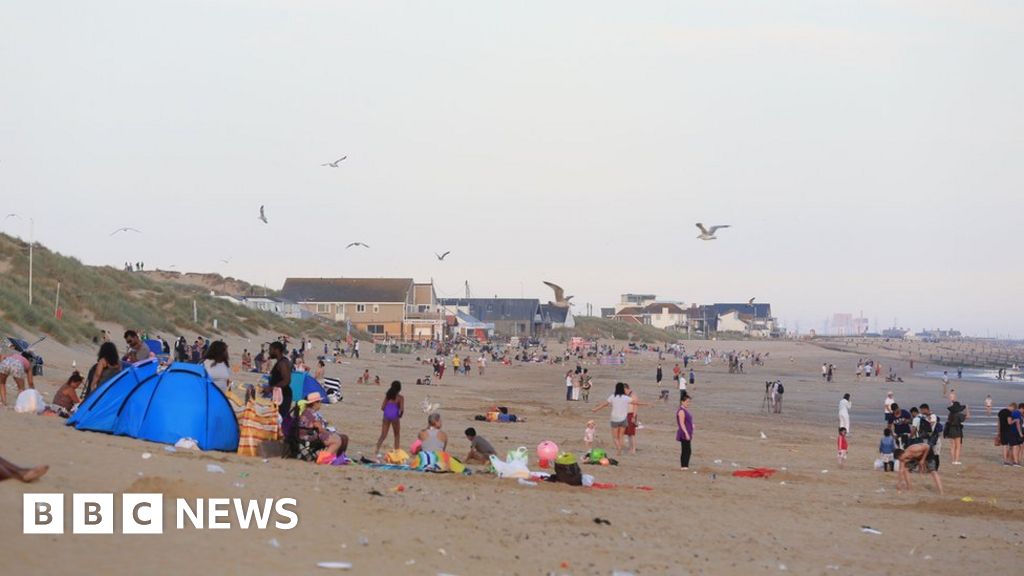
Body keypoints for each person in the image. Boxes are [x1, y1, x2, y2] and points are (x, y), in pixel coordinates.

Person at [591, 382, 639, 456]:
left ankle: (633, 449)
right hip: (624, 416)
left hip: (630, 415)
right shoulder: (623, 396)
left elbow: (636, 406)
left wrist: (634, 417)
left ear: (626, 389)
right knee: (623, 434)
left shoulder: (632, 396)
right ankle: (626, 448)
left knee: (631, 434)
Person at [299, 392, 348, 459]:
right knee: (337, 440)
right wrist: (330, 432)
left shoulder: (307, 411)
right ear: (314, 403)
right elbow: (320, 429)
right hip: (310, 436)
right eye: (319, 402)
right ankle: (324, 458)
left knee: (343, 437)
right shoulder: (311, 413)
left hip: (307, 434)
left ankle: (336, 457)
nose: (320, 404)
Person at [374, 381, 405, 456]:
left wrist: (388, 411)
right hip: (395, 415)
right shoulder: (400, 397)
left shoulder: (388, 396)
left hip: (386, 415)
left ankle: (377, 449)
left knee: (383, 434)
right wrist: (399, 415)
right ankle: (396, 452)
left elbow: (382, 407)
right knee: (396, 435)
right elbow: (402, 409)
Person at [267, 341, 292, 420]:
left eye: (270, 350)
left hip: (283, 396)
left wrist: (271, 388)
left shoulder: (282, 363)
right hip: (279, 395)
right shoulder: (280, 362)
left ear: (276, 350)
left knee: (279, 420)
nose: (269, 352)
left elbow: (286, 380)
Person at [945, 400, 967, 465]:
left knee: (952, 446)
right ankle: (956, 460)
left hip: (950, 430)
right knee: (958, 446)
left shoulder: (950, 415)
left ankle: (953, 460)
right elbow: (967, 417)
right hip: (957, 430)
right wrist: (967, 410)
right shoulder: (959, 414)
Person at [676, 393, 694, 470]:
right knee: (686, 450)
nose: (688, 403)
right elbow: (681, 423)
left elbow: (688, 420)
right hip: (684, 433)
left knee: (687, 450)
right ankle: (684, 466)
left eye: (689, 402)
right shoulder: (681, 411)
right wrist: (686, 433)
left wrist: (692, 425)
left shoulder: (685, 410)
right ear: (682, 402)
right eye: (687, 401)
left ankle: (685, 466)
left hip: (688, 432)